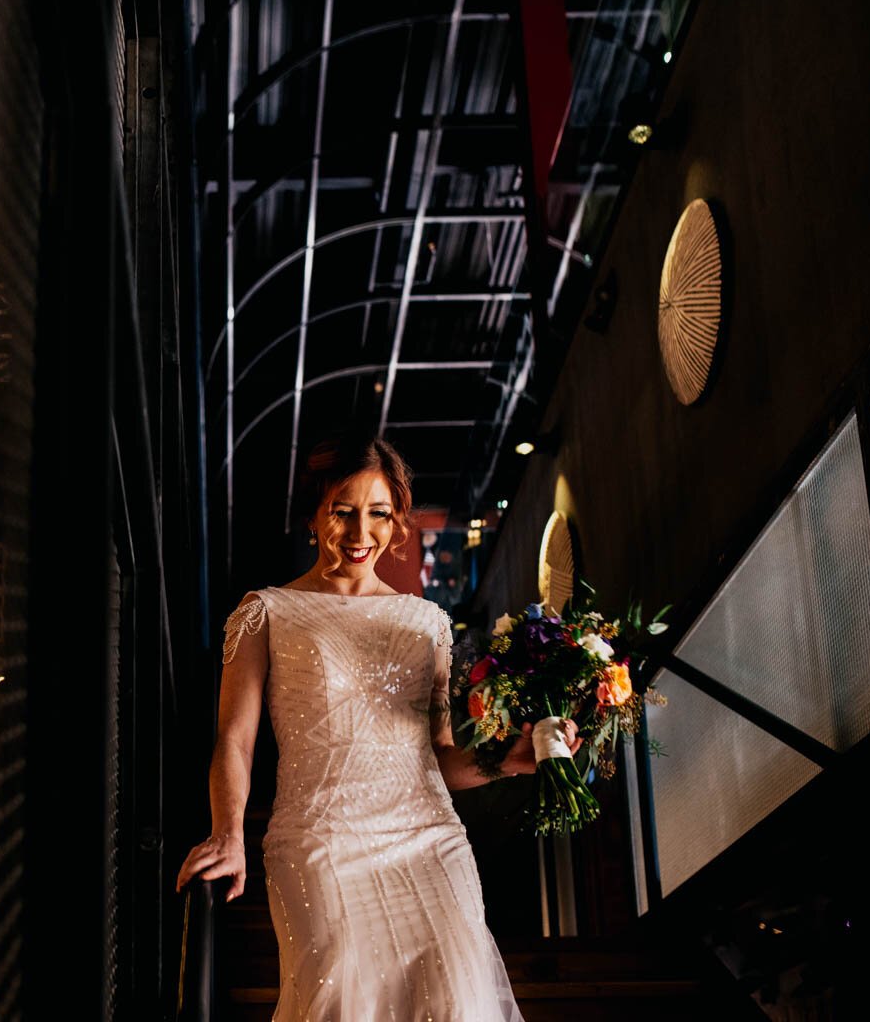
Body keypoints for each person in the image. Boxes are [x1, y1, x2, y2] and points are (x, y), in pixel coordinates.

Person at [174, 433, 579, 1021]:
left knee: (457, 1004)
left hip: (429, 842)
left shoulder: (428, 624)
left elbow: (437, 756)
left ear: (398, 521)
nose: (361, 533)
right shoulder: (265, 612)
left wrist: (510, 759)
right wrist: (227, 834)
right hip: (321, 841)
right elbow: (234, 741)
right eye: (343, 511)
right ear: (315, 515)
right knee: (343, 1001)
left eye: (380, 514)